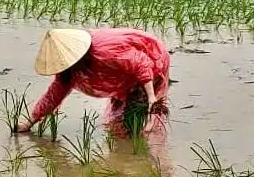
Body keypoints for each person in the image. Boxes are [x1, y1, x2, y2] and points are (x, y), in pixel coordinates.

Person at [17, 28, 171, 137]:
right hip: (122, 74)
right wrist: (29, 123)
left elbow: (141, 63)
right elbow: (52, 97)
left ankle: (140, 146)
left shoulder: (104, 51)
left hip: (152, 58)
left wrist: (151, 96)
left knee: (132, 119)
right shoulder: (68, 73)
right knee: (117, 120)